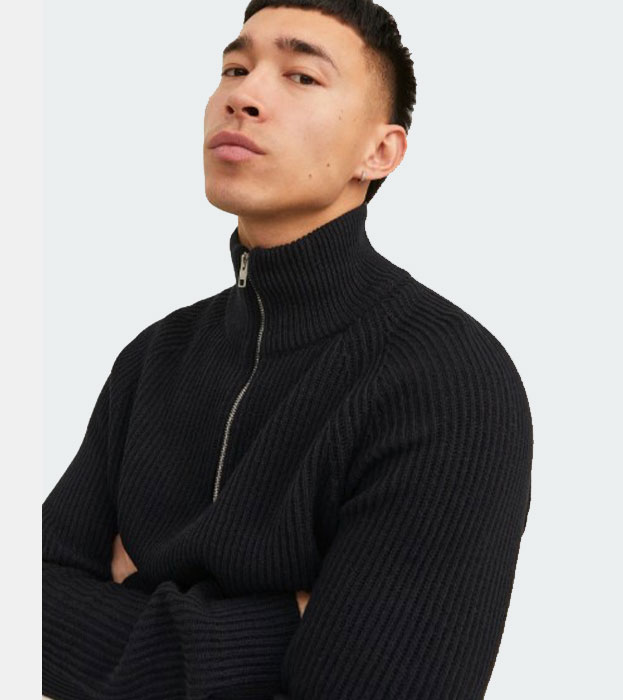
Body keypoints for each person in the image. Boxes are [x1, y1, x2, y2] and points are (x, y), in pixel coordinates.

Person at [42, 1, 533, 699]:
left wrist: (125, 603)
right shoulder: (154, 359)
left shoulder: (449, 381)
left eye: (302, 76)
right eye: (234, 68)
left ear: (380, 152)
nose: (243, 95)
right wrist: (280, 623)